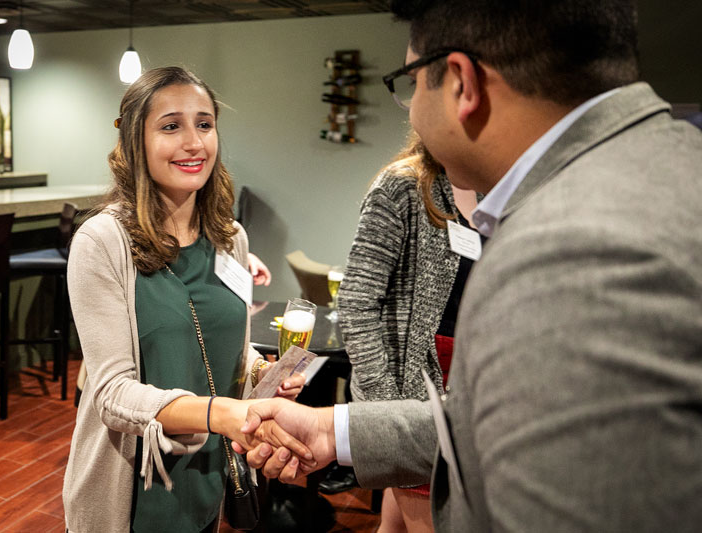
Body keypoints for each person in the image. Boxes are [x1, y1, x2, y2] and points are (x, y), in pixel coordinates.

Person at [235, 1, 702, 532]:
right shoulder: (676, 162)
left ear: (461, 82)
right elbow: (507, 422)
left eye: (410, 83)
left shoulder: (570, 246)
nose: (410, 110)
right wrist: (334, 431)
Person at [62, 66, 308, 533]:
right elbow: (112, 394)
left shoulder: (229, 238)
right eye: (171, 126)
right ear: (136, 142)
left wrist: (260, 374)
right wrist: (224, 413)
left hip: (207, 478)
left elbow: (228, 347)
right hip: (132, 493)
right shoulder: (102, 241)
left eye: (204, 124)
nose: (194, 143)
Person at [337, 130, 478, 532]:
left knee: (394, 527)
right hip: (413, 392)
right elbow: (357, 303)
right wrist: (386, 408)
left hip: (464, 384)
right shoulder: (403, 186)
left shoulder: (490, 191)